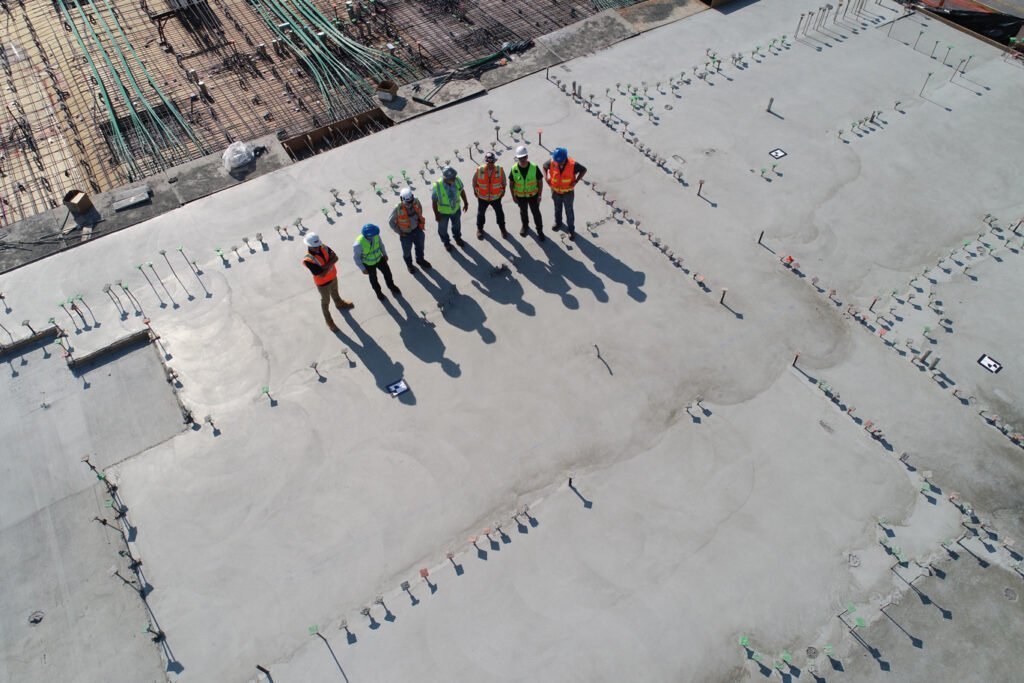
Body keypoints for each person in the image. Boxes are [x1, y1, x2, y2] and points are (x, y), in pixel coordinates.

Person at [302, 232, 353, 332]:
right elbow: (321, 275)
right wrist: (330, 263)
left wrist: (324, 267)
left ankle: (339, 304)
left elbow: (336, 257)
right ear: (308, 245)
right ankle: (329, 321)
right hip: (322, 284)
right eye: (314, 246)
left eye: (317, 245)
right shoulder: (308, 260)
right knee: (325, 302)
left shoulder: (323, 247)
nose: (317, 248)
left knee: (335, 292)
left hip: (333, 276)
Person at [543, 147, 587, 241]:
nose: (558, 163)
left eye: (561, 162)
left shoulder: (573, 164)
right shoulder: (552, 161)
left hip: (568, 193)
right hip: (555, 191)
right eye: (557, 162)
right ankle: (558, 223)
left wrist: (576, 181)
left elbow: (583, 170)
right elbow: (544, 166)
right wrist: (546, 178)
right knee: (557, 208)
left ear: (565, 158)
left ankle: (571, 230)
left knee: (569, 211)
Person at [389, 187, 433, 274]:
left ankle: (420, 260)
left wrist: (419, 222)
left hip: (417, 230)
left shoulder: (416, 201)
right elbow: (390, 222)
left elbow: (420, 210)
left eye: (410, 201)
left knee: (420, 247)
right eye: (407, 202)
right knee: (407, 252)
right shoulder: (397, 208)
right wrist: (400, 232)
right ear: (402, 199)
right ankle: (409, 265)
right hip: (406, 235)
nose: (410, 204)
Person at [353, 223, 401, 300]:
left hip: (380, 259)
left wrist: (384, 254)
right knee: (373, 279)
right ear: (368, 235)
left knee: (388, 273)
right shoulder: (358, 244)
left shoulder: (376, 236)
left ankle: (391, 285)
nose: (376, 235)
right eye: (374, 234)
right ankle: (378, 292)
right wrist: (363, 269)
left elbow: (381, 245)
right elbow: (356, 258)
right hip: (369, 264)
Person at [509, 145, 544, 241]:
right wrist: (513, 196)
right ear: (517, 158)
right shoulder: (514, 169)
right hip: (520, 197)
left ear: (527, 157)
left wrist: (540, 195)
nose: (522, 160)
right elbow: (511, 183)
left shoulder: (534, 167)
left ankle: (540, 231)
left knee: (536, 213)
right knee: (523, 212)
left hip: (533, 196)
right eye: (520, 158)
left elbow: (540, 181)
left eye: (524, 157)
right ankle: (525, 226)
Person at [432, 165, 469, 251]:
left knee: (456, 226)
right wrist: (436, 215)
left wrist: (466, 203)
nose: (453, 179)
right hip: (443, 213)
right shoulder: (437, 186)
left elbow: (462, 191)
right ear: (445, 177)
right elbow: (434, 202)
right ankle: (446, 242)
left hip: (455, 209)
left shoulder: (457, 180)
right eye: (451, 178)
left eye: (454, 177)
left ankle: (457, 238)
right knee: (442, 229)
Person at [472, 151, 507, 239]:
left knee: (499, 214)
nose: (490, 164)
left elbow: (504, 182)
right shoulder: (480, 170)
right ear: (486, 162)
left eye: (492, 162)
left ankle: (503, 229)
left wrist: (502, 192)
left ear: (494, 162)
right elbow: (474, 181)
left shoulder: (500, 170)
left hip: (496, 198)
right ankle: (479, 229)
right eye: (488, 163)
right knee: (481, 214)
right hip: (482, 198)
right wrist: (475, 191)